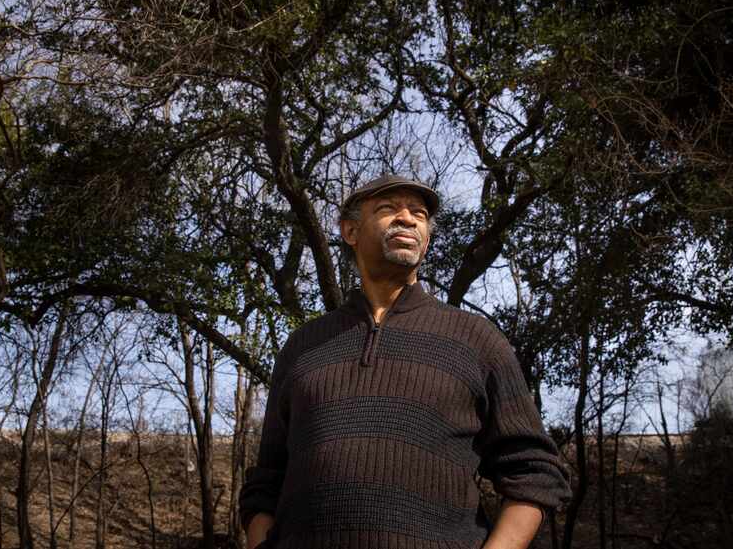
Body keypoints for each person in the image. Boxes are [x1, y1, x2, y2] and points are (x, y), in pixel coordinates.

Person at [238, 174, 571, 549]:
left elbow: (534, 472)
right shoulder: (303, 346)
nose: (408, 218)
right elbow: (264, 485)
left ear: (426, 236)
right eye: (388, 208)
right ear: (350, 230)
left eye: (419, 213)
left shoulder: (477, 340)